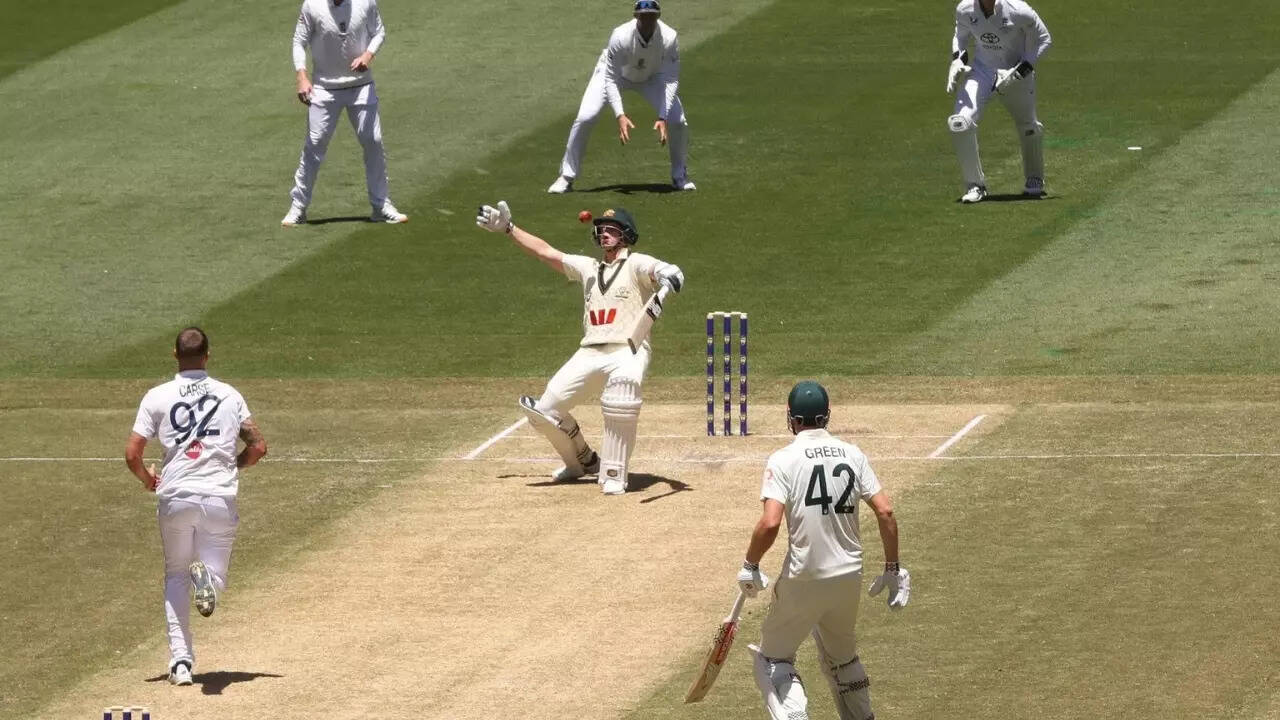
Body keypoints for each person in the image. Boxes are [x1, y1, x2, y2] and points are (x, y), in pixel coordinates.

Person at [474, 201, 684, 494]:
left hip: (628, 349)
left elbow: (660, 270)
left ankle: (614, 474)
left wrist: (670, 274)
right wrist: (510, 229)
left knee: (621, 393)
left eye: (612, 230)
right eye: (602, 230)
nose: (605, 235)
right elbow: (546, 252)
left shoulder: (636, 264)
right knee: (543, 412)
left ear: (626, 235)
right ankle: (582, 461)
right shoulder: (587, 267)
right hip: (589, 351)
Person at [736, 381, 910, 720]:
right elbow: (886, 511)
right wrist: (892, 568)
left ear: (792, 418)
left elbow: (770, 523)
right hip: (848, 577)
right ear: (827, 416)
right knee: (842, 659)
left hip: (804, 577)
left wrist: (750, 565)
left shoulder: (783, 459)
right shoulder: (853, 453)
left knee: (772, 659)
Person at [124, 328, 268, 686]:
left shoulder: (157, 396)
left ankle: (181, 663)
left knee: (175, 575)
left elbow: (132, 453)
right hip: (218, 496)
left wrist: (148, 479)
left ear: (175, 354)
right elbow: (258, 447)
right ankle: (206, 577)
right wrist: (232, 466)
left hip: (174, 496)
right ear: (208, 355)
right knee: (211, 577)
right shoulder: (229, 395)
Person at [547, 0, 695, 194]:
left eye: (652, 16)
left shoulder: (669, 37)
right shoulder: (620, 36)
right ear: (636, 17)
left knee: (678, 120)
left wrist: (662, 116)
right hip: (616, 76)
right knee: (586, 117)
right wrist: (620, 115)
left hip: (652, 77)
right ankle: (566, 176)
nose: (648, 20)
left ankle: (679, 176)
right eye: (643, 16)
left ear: (658, 17)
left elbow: (671, 79)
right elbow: (611, 79)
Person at [282, 0, 407, 226]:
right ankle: (298, 207)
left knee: (373, 141)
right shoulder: (312, 5)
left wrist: (368, 56)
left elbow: (379, 32)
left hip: (361, 86)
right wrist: (301, 77)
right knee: (315, 144)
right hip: (324, 88)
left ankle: (381, 205)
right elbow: (299, 41)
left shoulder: (366, 2)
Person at [945, 0, 1052, 203]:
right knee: (959, 123)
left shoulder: (1019, 10)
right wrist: (957, 59)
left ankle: (1035, 179)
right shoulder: (964, 9)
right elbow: (960, 38)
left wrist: (1021, 70)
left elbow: (1044, 39)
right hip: (983, 70)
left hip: (1015, 70)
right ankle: (975, 186)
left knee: (1028, 126)